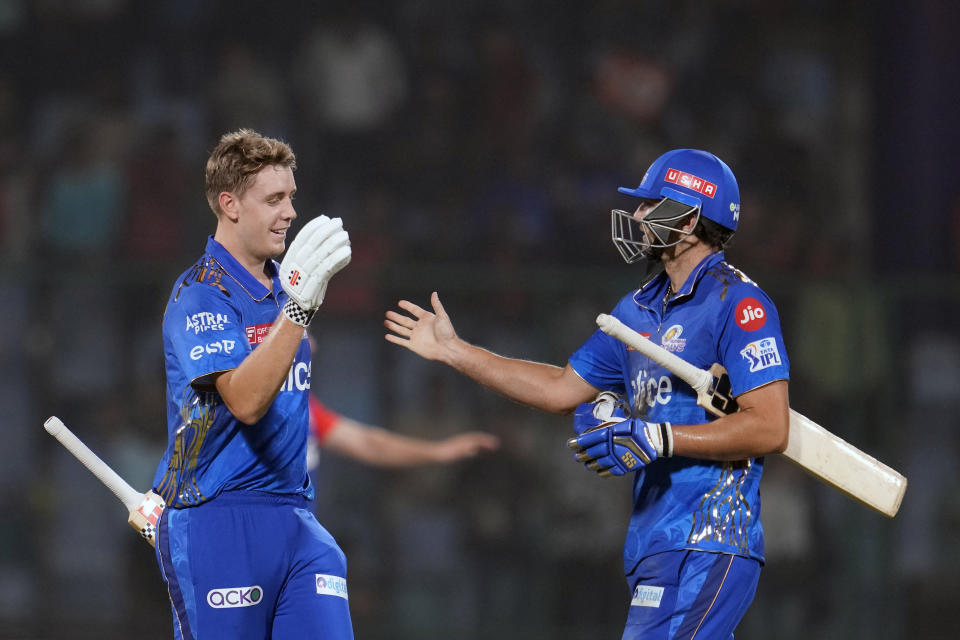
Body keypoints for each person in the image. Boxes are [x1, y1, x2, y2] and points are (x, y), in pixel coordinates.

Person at [384, 148, 791, 639]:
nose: (637, 216)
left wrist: (661, 438)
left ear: (689, 218)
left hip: (710, 538)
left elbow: (770, 425)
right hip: (652, 540)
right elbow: (561, 389)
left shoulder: (739, 303)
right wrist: (456, 352)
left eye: (650, 204)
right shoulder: (637, 309)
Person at [150, 129, 354, 639]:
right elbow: (245, 401)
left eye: (291, 198)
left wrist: (296, 302)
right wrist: (300, 307)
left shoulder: (288, 282)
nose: (289, 213)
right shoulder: (199, 294)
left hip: (294, 516)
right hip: (217, 520)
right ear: (230, 204)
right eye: (274, 200)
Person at [307, 394, 500, 469]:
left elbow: (368, 443)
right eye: (305, 336)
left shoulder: (306, 408)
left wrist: (441, 451)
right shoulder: (281, 402)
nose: (313, 346)